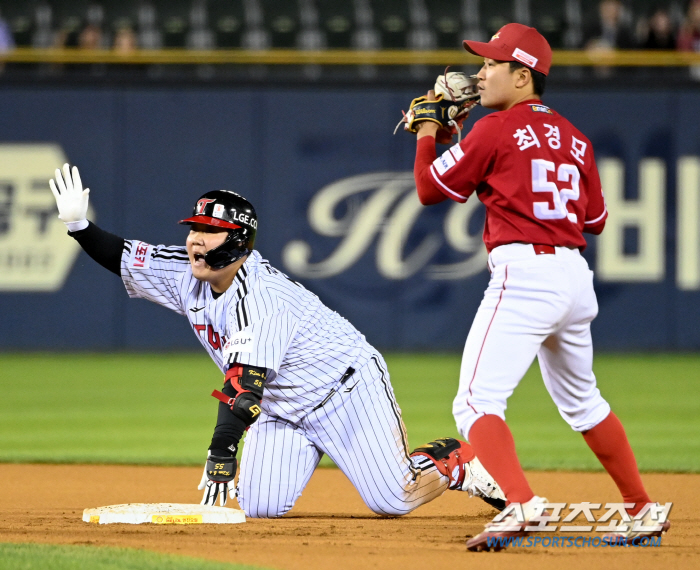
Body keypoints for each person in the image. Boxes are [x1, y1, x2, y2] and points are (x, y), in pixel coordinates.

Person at [48, 164, 506, 519]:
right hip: (283, 408)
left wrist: (222, 452)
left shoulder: (260, 298)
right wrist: (78, 226)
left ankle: (455, 460)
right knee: (260, 506)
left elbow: (243, 388)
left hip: (345, 391)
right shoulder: (190, 272)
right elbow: (126, 257)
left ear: (238, 243)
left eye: (209, 232)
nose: (195, 241)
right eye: (194, 228)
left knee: (394, 498)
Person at [409, 23, 671, 550]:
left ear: (522, 75)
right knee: (584, 402)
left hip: (524, 274)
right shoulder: (576, 138)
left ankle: (521, 502)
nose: (480, 74)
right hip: (574, 277)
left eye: (491, 64)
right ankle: (641, 508)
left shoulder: (495, 128)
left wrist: (426, 132)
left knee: (474, 401)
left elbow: (427, 189)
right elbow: (594, 218)